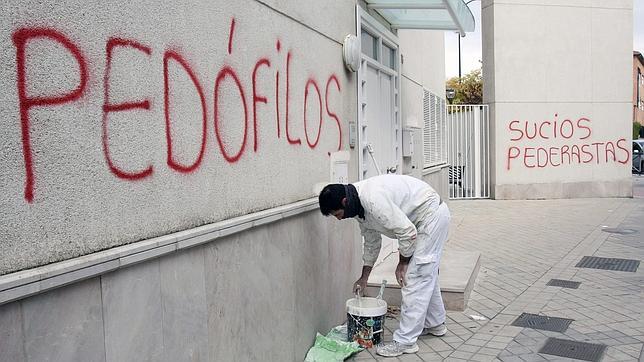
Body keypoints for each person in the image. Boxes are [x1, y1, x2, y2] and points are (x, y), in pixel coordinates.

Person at [318, 174, 451, 358]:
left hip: (430, 218)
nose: (339, 219)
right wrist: (364, 278)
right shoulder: (358, 207)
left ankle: (405, 342)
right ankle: (435, 324)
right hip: (423, 219)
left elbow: (408, 233)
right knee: (426, 273)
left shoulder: (373, 200)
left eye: (338, 214)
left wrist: (402, 263)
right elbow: (372, 243)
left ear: (344, 201)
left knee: (415, 277)